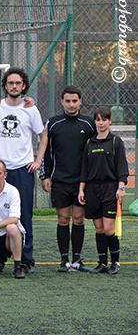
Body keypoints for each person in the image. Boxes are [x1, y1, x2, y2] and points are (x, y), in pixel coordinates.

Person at [0, 67, 47, 271]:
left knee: (23, 215)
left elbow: (43, 135)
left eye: (18, 83)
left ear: (24, 86)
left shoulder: (30, 109)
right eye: (10, 83)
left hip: (22, 169)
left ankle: (26, 260)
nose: (14, 86)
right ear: (5, 86)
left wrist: (38, 160)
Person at [41, 86, 95, 272]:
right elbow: (46, 152)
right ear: (62, 102)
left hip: (81, 181)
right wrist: (45, 175)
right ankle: (64, 260)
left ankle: (77, 260)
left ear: (80, 101)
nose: (71, 104)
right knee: (63, 219)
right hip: (60, 180)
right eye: (68, 101)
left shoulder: (89, 124)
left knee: (79, 219)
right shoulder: (53, 123)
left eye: (75, 101)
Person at [79, 108, 129, 275]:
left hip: (110, 188)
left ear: (110, 122)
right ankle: (102, 263)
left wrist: (121, 187)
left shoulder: (115, 142)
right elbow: (84, 170)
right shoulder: (89, 143)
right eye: (98, 120)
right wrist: (81, 190)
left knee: (109, 229)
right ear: (95, 122)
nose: (101, 122)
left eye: (104, 119)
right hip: (92, 190)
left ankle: (115, 262)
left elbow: (122, 167)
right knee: (99, 228)